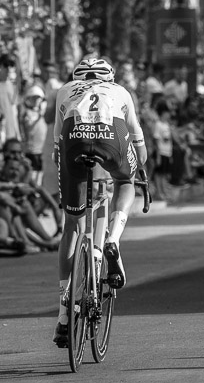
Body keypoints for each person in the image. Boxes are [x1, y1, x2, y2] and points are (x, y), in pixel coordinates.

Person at [52, 56, 148, 348]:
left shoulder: (65, 90)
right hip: (112, 138)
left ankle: (63, 312)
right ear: (110, 76)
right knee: (125, 182)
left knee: (72, 224)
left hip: (74, 139)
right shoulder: (119, 92)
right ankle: (114, 241)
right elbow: (139, 145)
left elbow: (57, 149)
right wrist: (139, 167)